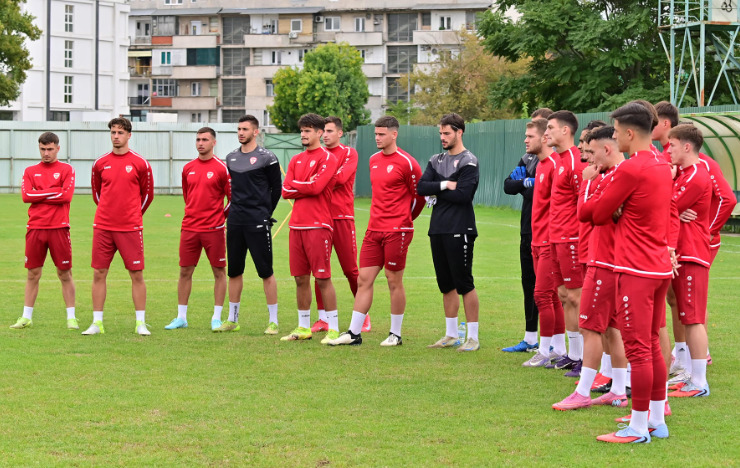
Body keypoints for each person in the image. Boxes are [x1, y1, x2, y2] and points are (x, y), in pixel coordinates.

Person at [586, 102, 675, 444]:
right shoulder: (662, 163)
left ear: (628, 132)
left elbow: (596, 214)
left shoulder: (631, 168)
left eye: (616, 130)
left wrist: (614, 208)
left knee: (638, 349)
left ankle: (638, 427)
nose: (614, 136)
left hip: (634, 268)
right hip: (657, 267)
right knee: (650, 344)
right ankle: (656, 419)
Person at [552, 126, 630, 410]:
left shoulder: (615, 177)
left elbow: (586, 213)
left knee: (590, 326)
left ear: (607, 149)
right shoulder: (615, 175)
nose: (588, 159)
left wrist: (587, 185)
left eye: (592, 151)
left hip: (605, 260)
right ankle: (618, 388)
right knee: (611, 327)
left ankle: (583, 391)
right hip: (610, 259)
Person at [329, 116, 424, 346]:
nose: (377, 138)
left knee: (393, 280)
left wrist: (404, 219)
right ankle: (354, 333)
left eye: (382, 134)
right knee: (364, 279)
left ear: (394, 134)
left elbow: (419, 197)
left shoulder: (408, 163)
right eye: (376, 134)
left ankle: (395, 334)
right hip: (373, 230)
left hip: (397, 230)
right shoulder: (373, 159)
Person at [83, 117, 154, 335]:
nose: (116, 136)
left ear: (129, 135)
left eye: (120, 132)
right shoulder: (100, 163)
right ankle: (97, 323)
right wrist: (109, 213)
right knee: (99, 273)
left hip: (130, 228)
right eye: (113, 132)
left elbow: (147, 196)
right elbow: (97, 194)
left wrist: (132, 215)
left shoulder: (140, 163)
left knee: (136, 274)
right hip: (103, 227)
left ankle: (140, 323)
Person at [418, 113, 481, 352]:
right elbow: (421, 187)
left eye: (447, 133)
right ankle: (451, 334)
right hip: (438, 229)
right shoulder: (436, 160)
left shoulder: (469, 161)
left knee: (464, 283)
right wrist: (445, 184)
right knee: (445, 284)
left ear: (459, 132)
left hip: (460, 228)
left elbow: (463, 195)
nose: (442, 137)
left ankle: (473, 337)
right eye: (440, 133)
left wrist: (436, 191)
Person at [217, 114, 282, 333]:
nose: (241, 133)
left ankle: (273, 321)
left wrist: (265, 213)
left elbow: (276, 189)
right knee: (234, 271)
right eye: (238, 129)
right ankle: (232, 319)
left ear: (256, 132)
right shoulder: (231, 158)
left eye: (245, 129)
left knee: (266, 271)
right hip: (236, 221)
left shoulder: (267, 158)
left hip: (258, 221)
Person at [281, 113, 340, 343]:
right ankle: (303, 327)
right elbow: (285, 191)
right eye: (302, 131)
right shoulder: (296, 159)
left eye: (308, 131)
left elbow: (316, 188)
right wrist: (302, 185)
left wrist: (297, 185)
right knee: (300, 278)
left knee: (323, 278)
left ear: (319, 132)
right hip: (296, 226)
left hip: (318, 225)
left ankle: (333, 328)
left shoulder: (328, 158)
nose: (303, 135)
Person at [165, 128, 231, 331]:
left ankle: (216, 318)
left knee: (219, 271)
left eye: (205, 140)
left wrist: (219, 217)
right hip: (190, 228)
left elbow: (232, 199)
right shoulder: (188, 168)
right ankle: (181, 317)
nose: (200, 143)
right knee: (185, 271)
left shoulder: (222, 168)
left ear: (214, 143)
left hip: (214, 229)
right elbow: (188, 196)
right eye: (198, 140)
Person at [665, 124, 712, 398]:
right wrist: (673, 209)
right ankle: (691, 375)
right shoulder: (683, 174)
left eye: (672, 145)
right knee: (686, 315)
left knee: (693, 319)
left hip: (692, 254)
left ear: (686, 146)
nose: (668, 150)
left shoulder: (696, 175)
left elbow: (663, 206)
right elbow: (670, 207)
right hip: (683, 253)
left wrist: (672, 209)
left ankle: (699, 382)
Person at [12, 132, 77, 330]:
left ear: (58, 148)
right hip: (35, 228)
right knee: (33, 273)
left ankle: (71, 318)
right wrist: (55, 190)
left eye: (50, 149)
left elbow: (66, 196)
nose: (46, 153)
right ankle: (26, 317)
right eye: (42, 149)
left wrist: (39, 193)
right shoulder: (30, 171)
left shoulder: (67, 169)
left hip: (59, 228)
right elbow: (26, 196)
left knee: (64, 273)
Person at [310, 116, 368, 334]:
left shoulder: (349, 153)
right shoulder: (317, 154)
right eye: (323, 131)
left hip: (342, 217)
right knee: (320, 270)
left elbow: (341, 179)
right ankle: (323, 318)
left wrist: (318, 180)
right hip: (320, 218)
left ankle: (363, 316)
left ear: (340, 133)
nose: (325, 135)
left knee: (350, 269)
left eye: (329, 131)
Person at [501, 107, 552, 352]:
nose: (527, 138)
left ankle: (553, 344)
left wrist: (527, 184)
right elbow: (508, 185)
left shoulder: (553, 161)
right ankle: (530, 338)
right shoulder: (529, 158)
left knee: (549, 290)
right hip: (527, 228)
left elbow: (541, 192)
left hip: (547, 232)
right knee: (528, 283)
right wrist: (525, 182)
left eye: (533, 131)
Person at [543, 110, 587, 377]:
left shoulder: (575, 161)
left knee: (575, 297)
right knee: (563, 296)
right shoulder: (558, 160)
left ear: (565, 130)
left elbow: (585, 203)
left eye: (550, 127)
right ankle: (574, 354)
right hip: (556, 238)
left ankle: (585, 357)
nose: (546, 132)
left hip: (571, 239)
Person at [521, 119, 567, 367]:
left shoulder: (556, 166)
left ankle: (545, 350)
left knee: (541, 295)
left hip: (550, 241)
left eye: (530, 136)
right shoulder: (540, 165)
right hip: (537, 240)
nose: (526, 140)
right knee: (551, 296)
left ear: (544, 138)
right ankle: (559, 348)